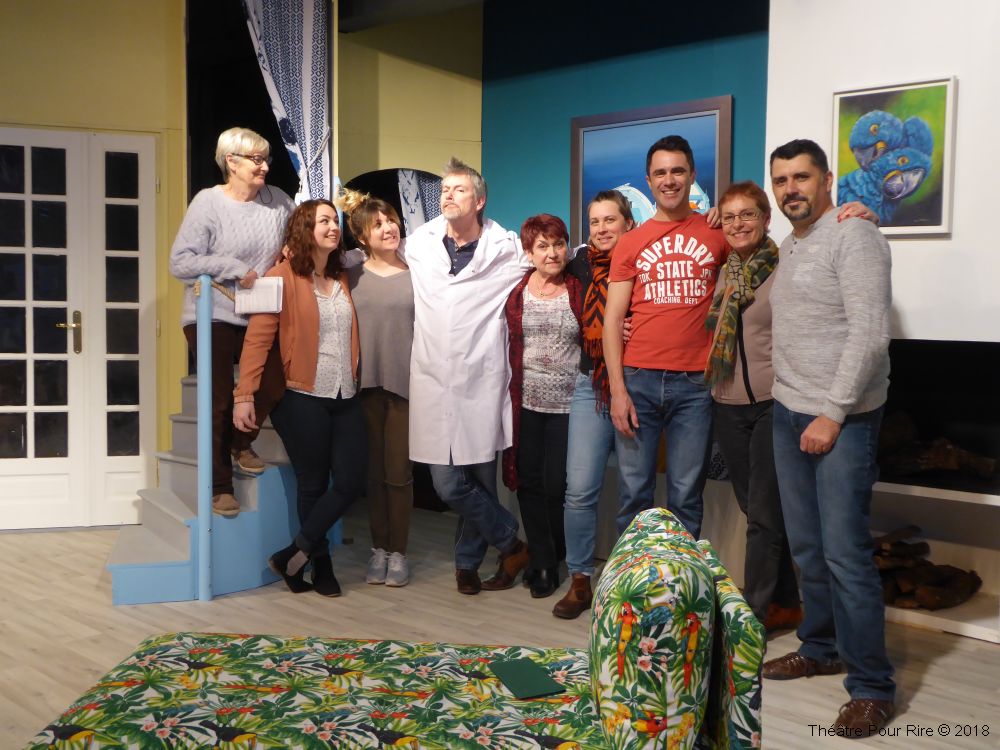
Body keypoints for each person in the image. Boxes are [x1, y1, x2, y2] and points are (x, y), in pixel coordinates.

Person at [762, 139, 894, 737]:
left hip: (841, 419)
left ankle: (871, 687)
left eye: (802, 177)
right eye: (781, 180)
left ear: (827, 180)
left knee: (845, 554)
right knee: (808, 549)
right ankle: (820, 647)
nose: (791, 189)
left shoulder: (854, 235)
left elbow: (869, 334)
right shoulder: (792, 243)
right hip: (788, 412)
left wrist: (833, 414)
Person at [404, 157, 532, 595]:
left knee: (479, 479)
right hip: (433, 378)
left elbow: (555, 255)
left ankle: (467, 564)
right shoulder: (420, 244)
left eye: (458, 189)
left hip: (481, 379)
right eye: (444, 189)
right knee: (447, 483)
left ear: (480, 200)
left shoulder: (506, 250)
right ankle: (511, 541)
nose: (448, 195)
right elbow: (375, 253)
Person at [233, 200, 366, 598]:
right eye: (323, 220)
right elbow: (257, 340)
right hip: (300, 396)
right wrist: (244, 395)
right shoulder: (280, 275)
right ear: (305, 228)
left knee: (350, 481)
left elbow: (367, 252)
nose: (333, 226)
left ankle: (293, 554)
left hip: (345, 393)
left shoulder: (342, 275)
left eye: (335, 220)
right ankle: (320, 565)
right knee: (312, 483)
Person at [603, 135, 727, 539]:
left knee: (686, 496)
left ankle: (680, 579)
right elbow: (612, 320)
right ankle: (631, 578)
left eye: (677, 171)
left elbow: (759, 243)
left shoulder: (718, 233)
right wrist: (617, 391)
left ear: (692, 175)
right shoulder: (630, 242)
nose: (669, 180)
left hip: (695, 385)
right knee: (633, 494)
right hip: (638, 380)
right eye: (660, 173)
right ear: (649, 180)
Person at [169, 127, 293, 517]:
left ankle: (241, 441)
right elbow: (180, 262)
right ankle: (220, 486)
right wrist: (233, 268)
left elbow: (297, 237)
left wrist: (291, 250)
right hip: (212, 312)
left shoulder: (278, 201)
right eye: (255, 159)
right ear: (231, 162)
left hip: (259, 311)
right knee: (219, 400)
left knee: (276, 378)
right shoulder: (209, 202)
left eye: (266, 158)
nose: (264, 166)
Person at [551, 190, 636, 619]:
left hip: (635, 384)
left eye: (610, 220)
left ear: (628, 223)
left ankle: (628, 583)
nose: (602, 229)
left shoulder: (644, 259)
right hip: (590, 383)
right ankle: (580, 578)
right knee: (579, 489)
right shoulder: (580, 263)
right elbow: (537, 257)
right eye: (595, 221)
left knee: (634, 493)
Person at [501, 214, 582, 598]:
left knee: (556, 485)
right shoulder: (517, 292)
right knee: (528, 482)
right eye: (543, 246)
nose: (552, 253)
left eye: (559, 244)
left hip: (570, 405)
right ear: (529, 252)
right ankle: (544, 562)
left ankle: (552, 554)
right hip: (526, 402)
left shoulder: (578, 288)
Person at [343, 193, 415, 588]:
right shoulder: (351, 274)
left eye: (391, 220)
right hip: (363, 386)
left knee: (398, 473)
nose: (389, 228)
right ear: (362, 238)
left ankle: (399, 552)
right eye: (378, 225)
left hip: (406, 387)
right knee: (373, 473)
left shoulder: (417, 272)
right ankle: (379, 549)